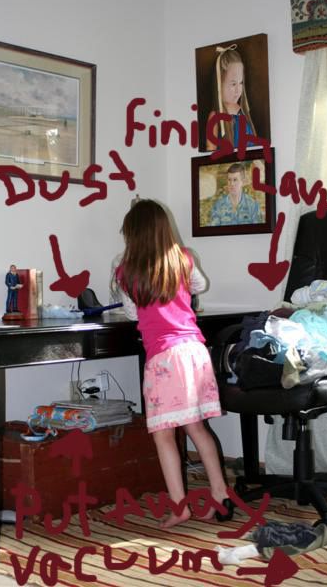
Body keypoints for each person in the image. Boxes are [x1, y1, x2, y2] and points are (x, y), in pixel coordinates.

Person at [114, 199, 232, 529]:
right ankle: (220, 496)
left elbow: (131, 313)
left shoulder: (126, 271)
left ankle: (180, 507)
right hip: (194, 352)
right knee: (197, 428)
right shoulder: (184, 258)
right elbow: (200, 286)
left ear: (132, 235)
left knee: (164, 435)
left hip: (164, 359)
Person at [206, 44, 257, 151]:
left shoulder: (243, 112)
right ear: (220, 84)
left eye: (241, 83)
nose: (238, 90)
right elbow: (210, 153)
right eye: (233, 84)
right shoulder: (215, 117)